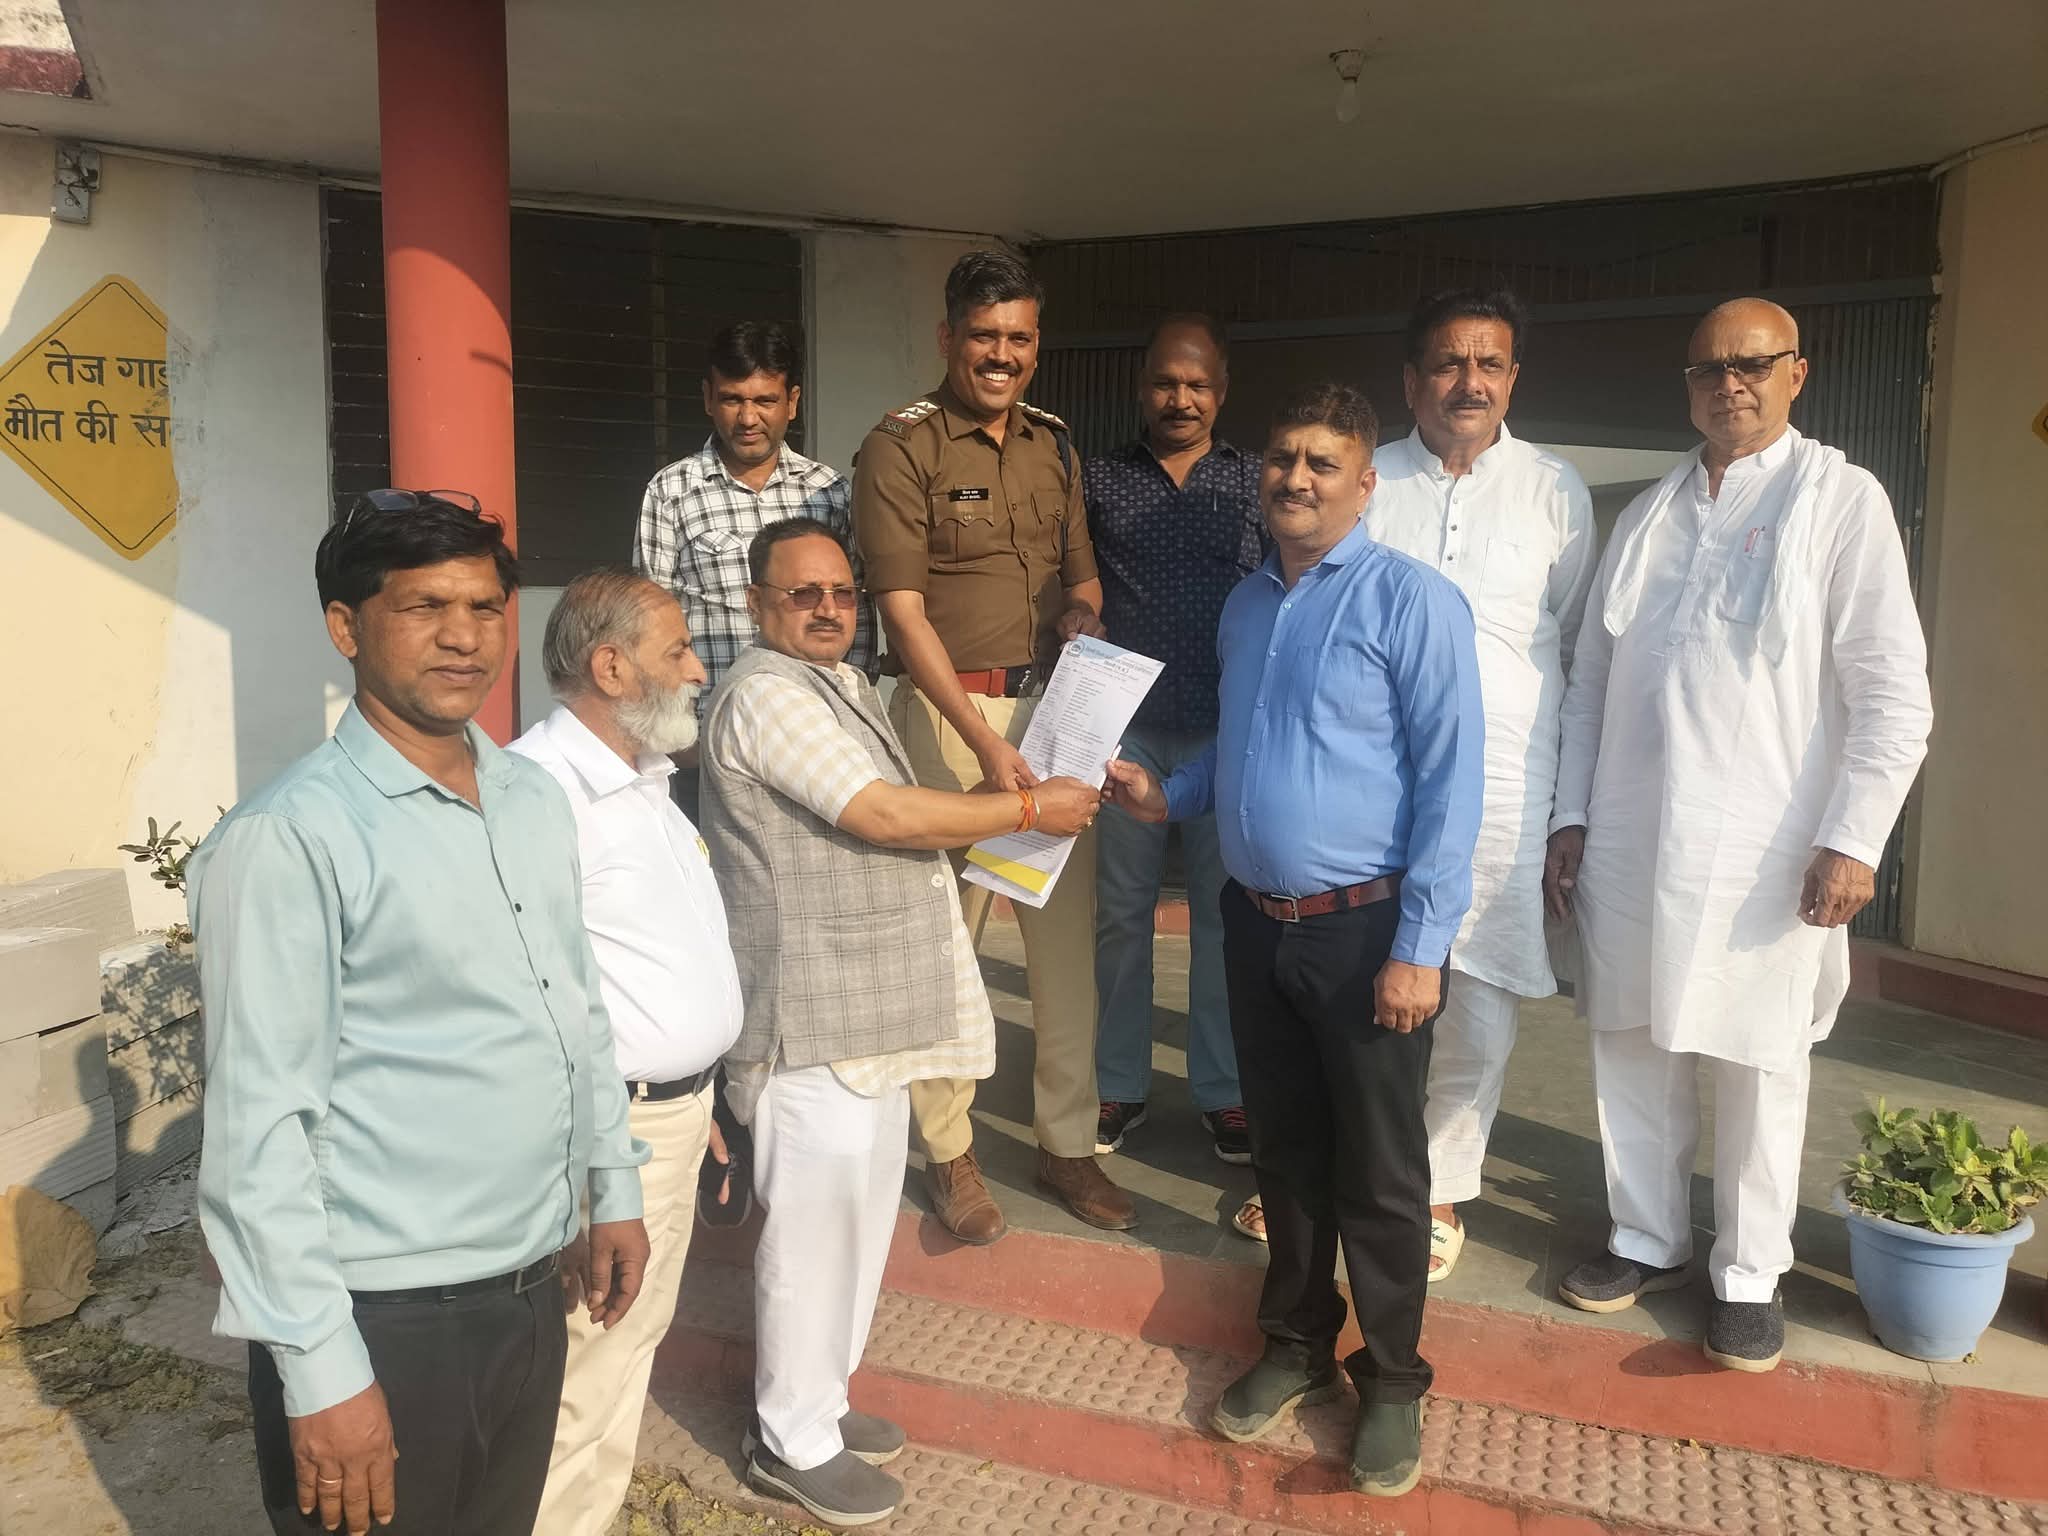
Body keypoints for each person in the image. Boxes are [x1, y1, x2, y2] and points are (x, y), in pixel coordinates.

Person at [188, 491, 650, 1536]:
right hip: (383, 1320)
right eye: (423, 607)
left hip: (529, 1290)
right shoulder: (292, 838)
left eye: (485, 607)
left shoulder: (529, 798)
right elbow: (258, 1130)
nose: (464, 636)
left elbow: (574, 1008)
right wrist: (320, 1369)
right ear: (345, 628)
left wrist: (610, 1185)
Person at [1104, 383, 1484, 1498]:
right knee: (1285, 1152)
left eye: (1322, 463)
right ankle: (1296, 1342)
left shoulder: (1413, 601)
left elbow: (1451, 783)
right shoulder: (1245, 606)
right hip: (1254, 922)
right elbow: (1239, 745)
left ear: (1365, 484)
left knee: (1380, 1168)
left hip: (1368, 934)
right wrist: (1166, 795)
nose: (1296, 478)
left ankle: (1395, 1379)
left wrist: (1421, 946)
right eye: (1282, 459)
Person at [1546, 299, 1932, 1373]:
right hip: (1632, 833)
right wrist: (1570, 814)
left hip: (1771, 843)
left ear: (1795, 373)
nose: (1730, 384)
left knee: (1759, 1056)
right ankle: (1645, 1235)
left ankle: (1750, 1271)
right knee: (1629, 1034)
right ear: (1687, 385)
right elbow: (1589, 683)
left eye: (1752, 365)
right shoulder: (1648, 515)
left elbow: (1891, 690)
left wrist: (1854, 837)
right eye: (1709, 369)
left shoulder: (1840, 500)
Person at [700, 518, 1101, 1525]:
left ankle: (821, 1403)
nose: (828, 608)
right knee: (813, 1235)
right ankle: (787, 1440)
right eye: (802, 593)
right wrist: (1025, 812)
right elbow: (881, 814)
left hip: (865, 1012)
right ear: (755, 605)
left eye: (841, 592)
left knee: (859, 1219)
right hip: (808, 1018)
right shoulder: (764, 693)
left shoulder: (837, 684)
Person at [854, 248, 1134, 1240]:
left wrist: (1083, 619)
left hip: (1048, 718)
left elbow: (1080, 578)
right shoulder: (902, 447)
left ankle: (1067, 1145)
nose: (1000, 355)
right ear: (948, 339)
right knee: (948, 948)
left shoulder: (1054, 446)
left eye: (1017, 338)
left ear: (1036, 344)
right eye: (983, 336)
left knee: (1063, 950)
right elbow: (901, 612)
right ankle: (950, 1151)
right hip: (947, 722)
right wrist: (982, 742)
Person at [1350, 289, 1597, 1277]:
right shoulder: (1367, 481)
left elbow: (1573, 652)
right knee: (1359, 966)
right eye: (1449, 363)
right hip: (1370, 775)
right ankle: (1350, 1169)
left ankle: (1439, 1188)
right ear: (1412, 379)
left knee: (1478, 985)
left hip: (1502, 781)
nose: (1469, 382)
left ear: (1512, 379)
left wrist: (1567, 810)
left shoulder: (1553, 489)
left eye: (1489, 364)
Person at [508, 570, 743, 1536]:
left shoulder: (644, 779)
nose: (697, 669)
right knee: (581, 1370)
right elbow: (532, 1000)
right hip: (608, 1137)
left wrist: (697, 1094)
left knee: (625, 1352)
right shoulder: (539, 793)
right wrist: (610, 1146)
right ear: (610, 667)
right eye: (677, 650)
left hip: (670, 1114)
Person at [1087, 313, 1266, 1167]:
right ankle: (1117, 1083)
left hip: (1225, 728)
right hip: (1125, 729)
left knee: (1221, 921)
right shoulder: (1099, 479)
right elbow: (1075, 579)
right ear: (1142, 387)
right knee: (1120, 916)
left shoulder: (1256, 480)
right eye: (1165, 382)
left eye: (1198, 385)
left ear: (1221, 393)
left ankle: (1223, 1091)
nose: (1181, 399)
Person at [634, 319, 875, 814]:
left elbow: (859, 613)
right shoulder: (671, 492)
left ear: (792, 401)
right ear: (708, 398)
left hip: (817, 743)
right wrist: (676, 740)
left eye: (765, 400)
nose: (748, 418)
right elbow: (647, 624)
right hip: (708, 745)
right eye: (732, 399)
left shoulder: (829, 492)